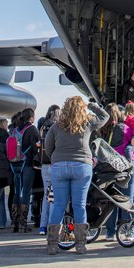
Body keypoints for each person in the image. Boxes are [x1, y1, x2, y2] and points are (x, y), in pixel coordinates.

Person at [44, 96, 108, 256]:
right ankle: (80, 245)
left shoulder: (56, 126)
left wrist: (56, 159)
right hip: (81, 166)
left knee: (58, 205)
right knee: (79, 205)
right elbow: (105, 116)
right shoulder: (87, 123)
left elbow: (48, 146)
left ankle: (52, 245)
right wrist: (92, 105)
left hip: (59, 167)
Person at [97, 103, 127, 240]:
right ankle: (126, 229)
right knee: (125, 198)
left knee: (109, 200)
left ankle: (110, 232)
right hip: (120, 167)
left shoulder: (100, 128)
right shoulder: (122, 128)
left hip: (104, 168)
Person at [9, 107, 40, 234]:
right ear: (31, 118)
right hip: (27, 165)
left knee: (17, 192)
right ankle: (23, 224)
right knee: (26, 193)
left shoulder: (15, 130)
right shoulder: (32, 129)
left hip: (15, 165)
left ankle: (14, 224)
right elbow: (37, 147)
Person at [38, 104, 60, 235]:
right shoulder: (58, 127)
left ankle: (42, 226)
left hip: (44, 166)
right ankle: (53, 225)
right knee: (55, 197)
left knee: (46, 196)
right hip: (55, 164)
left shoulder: (42, 125)